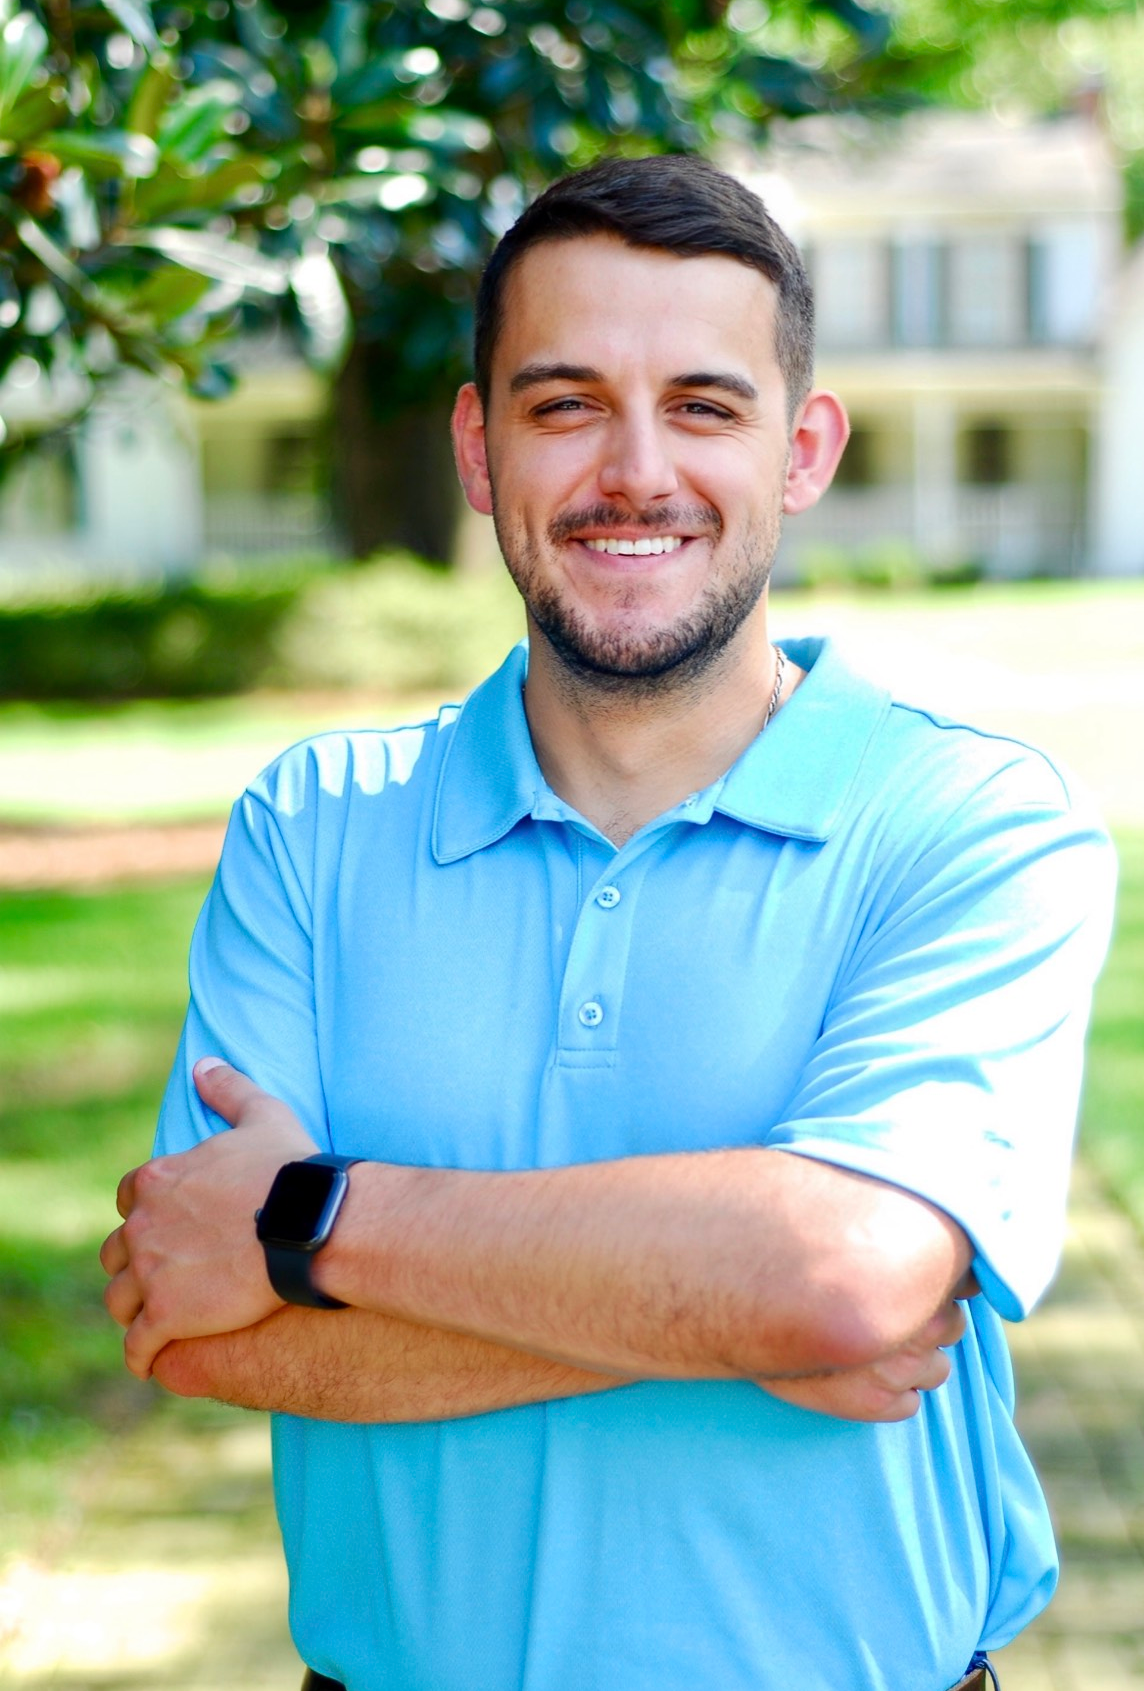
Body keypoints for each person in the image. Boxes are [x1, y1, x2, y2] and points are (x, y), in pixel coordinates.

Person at [100, 155, 1116, 1691]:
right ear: (478, 447)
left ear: (804, 448)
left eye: (706, 405)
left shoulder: (971, 823)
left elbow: (840, 1280)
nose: (635, 470)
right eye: (565, 403)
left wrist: (314, 1226)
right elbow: (194, 1318)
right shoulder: (312, 831)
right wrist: (735, 1312)